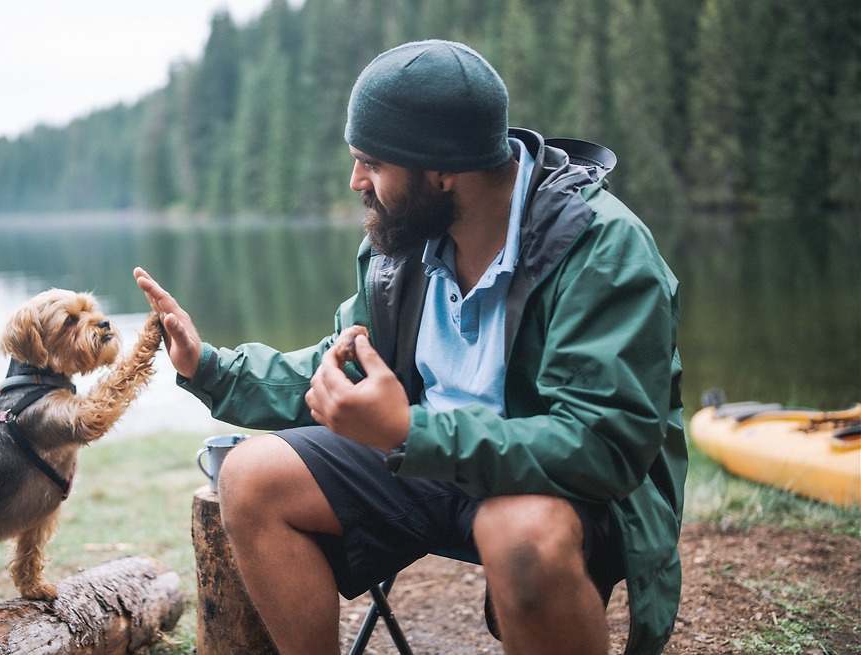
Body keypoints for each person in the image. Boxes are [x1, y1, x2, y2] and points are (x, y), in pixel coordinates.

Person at [135, 40, 684, 655]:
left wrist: (408, 432)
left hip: (559, 488)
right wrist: (208, 366)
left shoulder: (600, 249)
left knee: (519, 533)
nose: (355, 182)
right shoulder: (404, 239)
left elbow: (602, 446)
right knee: (251, 476)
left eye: (371, 162)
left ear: (442, 170)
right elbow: (336, 369)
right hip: (427, 461)